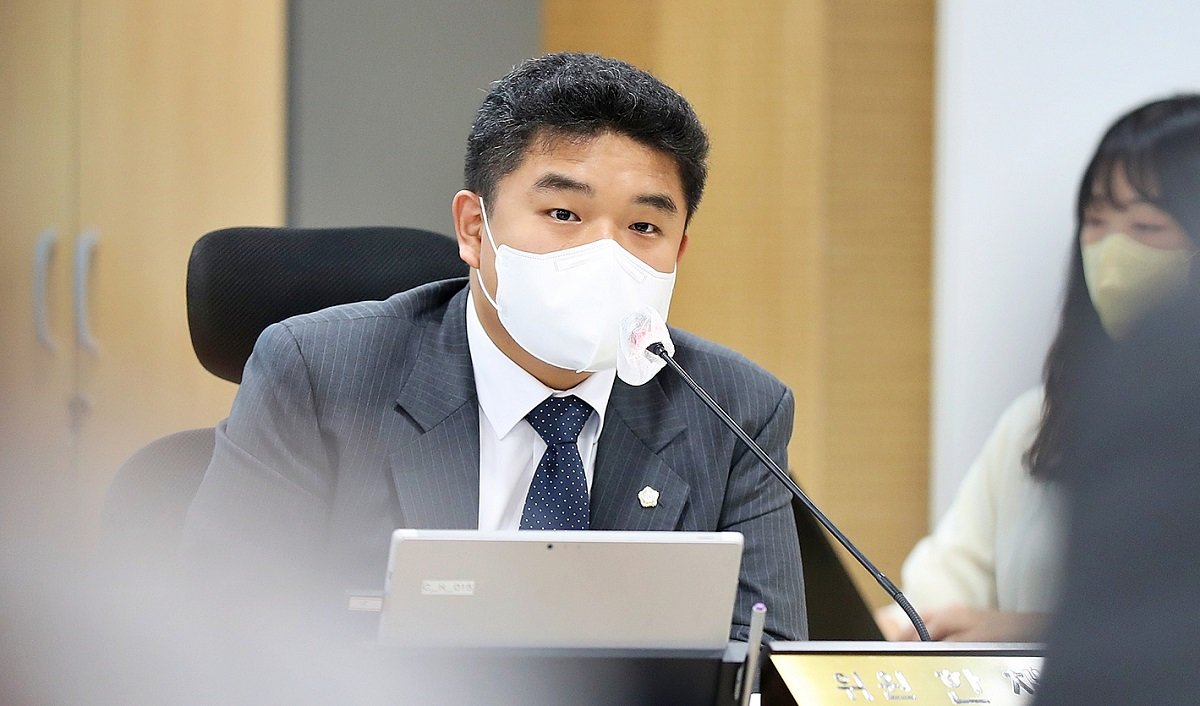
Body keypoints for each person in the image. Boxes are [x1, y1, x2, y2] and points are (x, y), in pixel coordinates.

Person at [179, 52, 806, 643]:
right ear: (475, 229)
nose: (606, 254)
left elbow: (767, 661)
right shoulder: (320, 374)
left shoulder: (735, 408)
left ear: (679, 250)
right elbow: (222, 636)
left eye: (644, 226)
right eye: (564, 214)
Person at [878, 94, 1200, 641]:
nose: (1112, 251)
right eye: (1095, 221)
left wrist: (1031, 634)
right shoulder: (1038, 421)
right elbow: (933, 601)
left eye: (1146, 226)